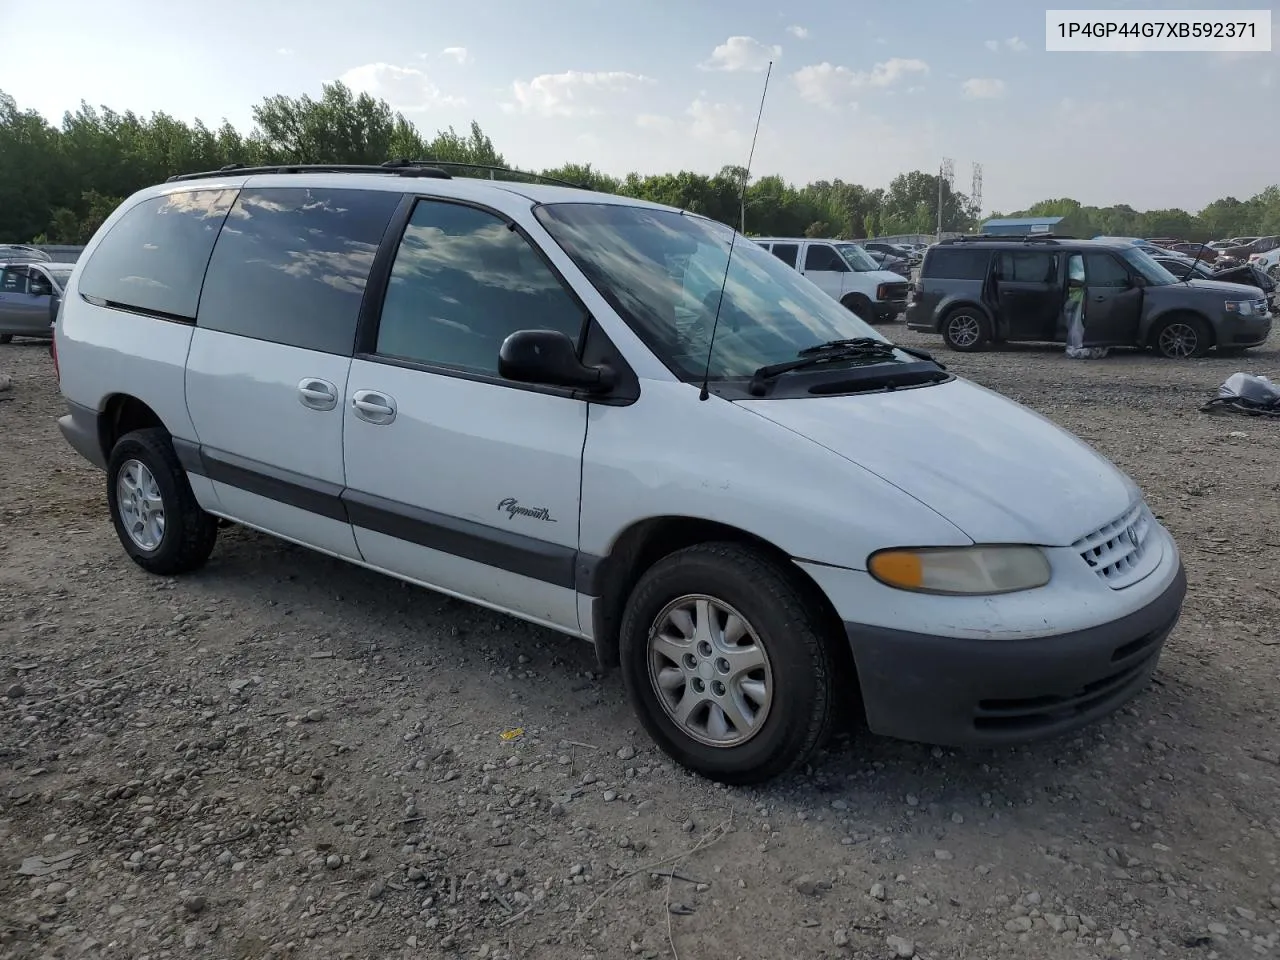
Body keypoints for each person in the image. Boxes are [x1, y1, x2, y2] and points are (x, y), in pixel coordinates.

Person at [1063, 253, 1109, 359]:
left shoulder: (1077, 261)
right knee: (1077, 326)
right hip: (1076, 302)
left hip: (1076, 301)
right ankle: (1078, 346)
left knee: (1076, 326)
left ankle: (1078, 345)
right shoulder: (1077, 263)